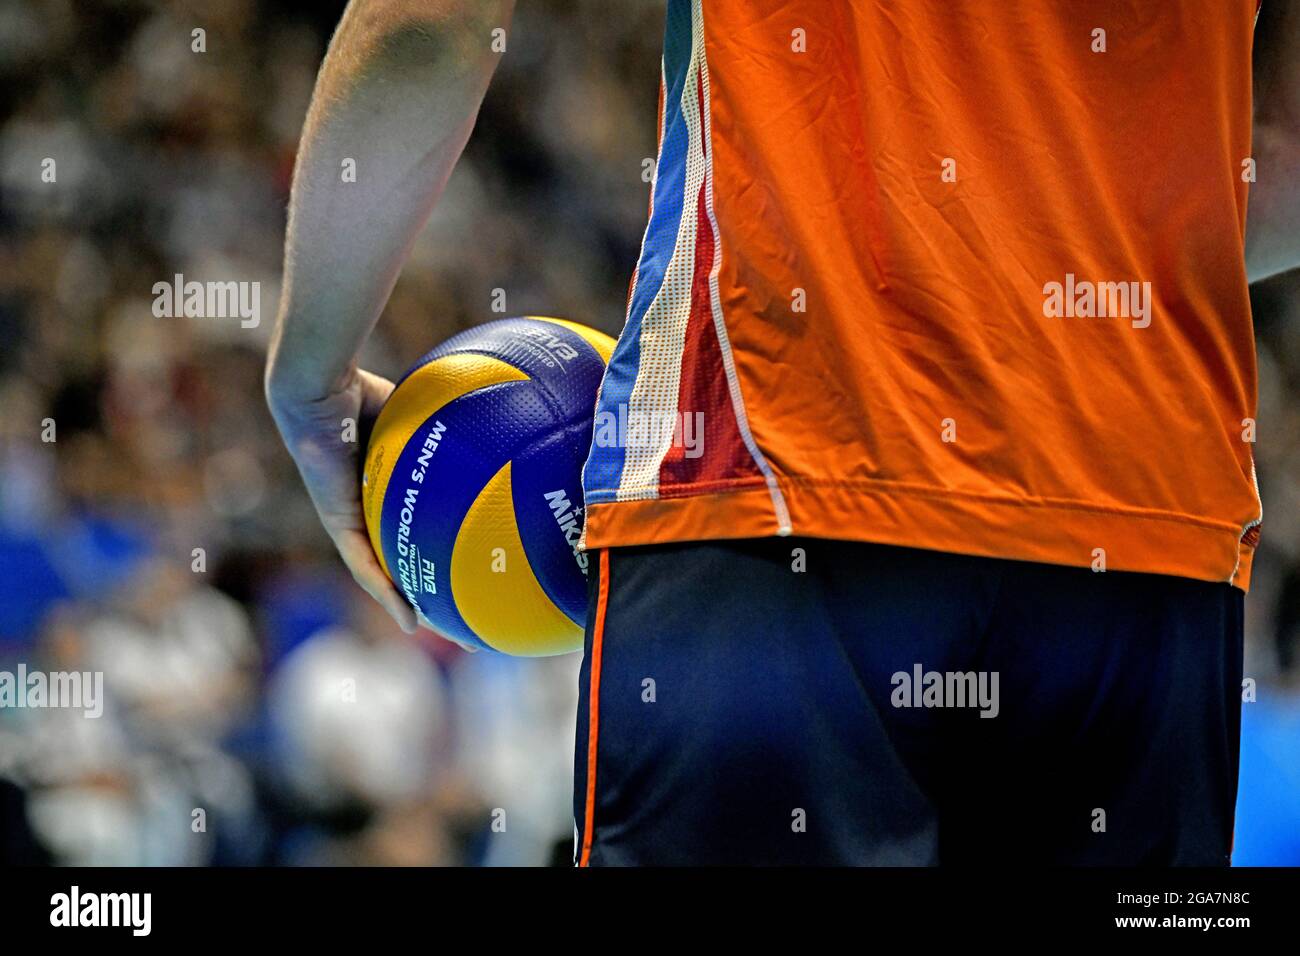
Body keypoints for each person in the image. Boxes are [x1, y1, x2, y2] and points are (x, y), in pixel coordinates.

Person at [266, 0, 1300, 864]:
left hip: (781, 470)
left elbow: (430, 26)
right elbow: (1279, 164)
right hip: (1149, 530)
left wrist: (310, 373)